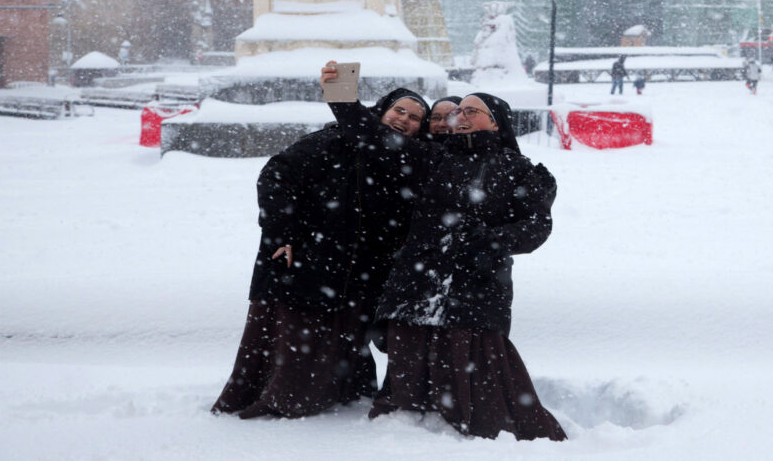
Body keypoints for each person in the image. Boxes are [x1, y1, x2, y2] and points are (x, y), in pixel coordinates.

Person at [321, 66, 566, 441]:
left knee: (474, 361)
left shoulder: (521, 171)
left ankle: (476, 425)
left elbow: (536, 228)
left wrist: (488, 241)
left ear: (496, 123)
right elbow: (373, 136)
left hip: (476, 283)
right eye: (457, 111)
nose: (460, 117)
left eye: (472, 111)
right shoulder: (430, 159)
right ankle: (408, 423)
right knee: (409, 351)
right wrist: (340, 95)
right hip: (418, 278)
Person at [212, 88, 431, 419]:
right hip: (312, 256)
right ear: (382, 110)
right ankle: (288, 398)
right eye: (399, 111)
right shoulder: (336, 139)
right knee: (299, 333)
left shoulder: (410, 157)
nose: (404, 120)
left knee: (345, 336)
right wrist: (281, 232)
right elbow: (277, 174)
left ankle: (339, 396)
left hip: (360, 269)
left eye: (415, 118)